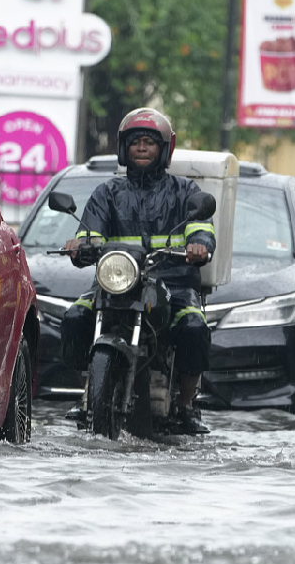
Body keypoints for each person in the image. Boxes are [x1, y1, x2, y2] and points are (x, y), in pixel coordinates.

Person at [59, 108, 216, 435]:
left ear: (164, 149)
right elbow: (91, 234)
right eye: (135, 143)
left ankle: (186, 404)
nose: (142, 148)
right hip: (117, 283)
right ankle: (88, 390)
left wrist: (199, 245)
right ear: (123, 148)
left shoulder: (185, 192)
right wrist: (80, 245)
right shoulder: (107, 193)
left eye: (149, 143)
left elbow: (202, 230)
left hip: (173, 285)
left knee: (193, 327)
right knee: (75, 318)